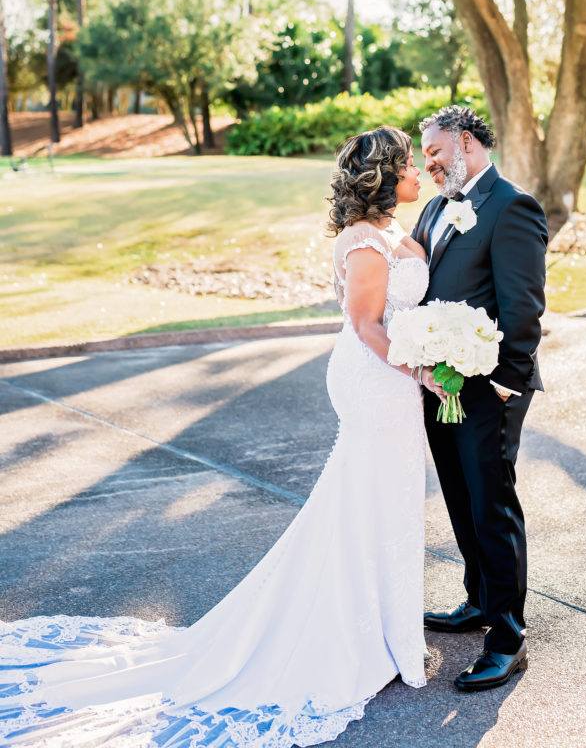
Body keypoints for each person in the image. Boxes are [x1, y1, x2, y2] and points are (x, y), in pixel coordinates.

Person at [0, 126, 441, 748]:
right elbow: (368, 325)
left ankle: (385, 626)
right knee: (365, 501)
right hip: (375, 380)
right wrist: (420, 368)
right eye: (409, 166)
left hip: (396, 383)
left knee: (384, 504)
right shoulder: (366, 241)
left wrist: (436, 351)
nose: (418, 174)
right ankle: (352, 633)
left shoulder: (402, 233)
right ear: (387, 174)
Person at [412, 105, 547, 692]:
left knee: (492, 503)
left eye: (436, 151)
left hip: (491, 387)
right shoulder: (435, 208)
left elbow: (523, 307)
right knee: (461, 497)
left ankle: (507, 635)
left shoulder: (511, 206)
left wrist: (505, 383)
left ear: (465, 142)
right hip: (442, 387)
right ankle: (477, 600)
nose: (429, 162)